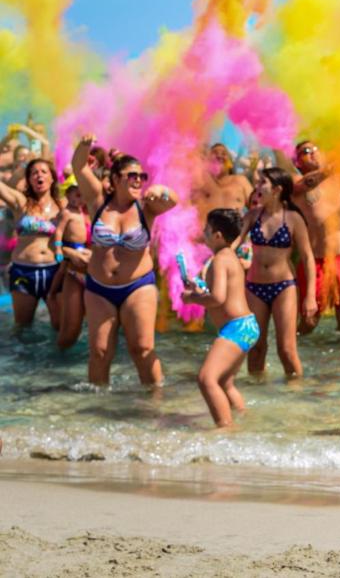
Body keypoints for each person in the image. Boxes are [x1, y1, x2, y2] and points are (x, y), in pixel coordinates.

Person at [71, 137, 177, 386]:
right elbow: (78, 166)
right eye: (132, 176)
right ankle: (97, 405)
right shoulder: (98, 201)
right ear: (116, 179)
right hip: (99, 289)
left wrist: (161, 190)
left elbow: (173, 200)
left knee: (142, 349)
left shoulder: (147, 207)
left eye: (142, 176)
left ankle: (156, 400)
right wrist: (84, 145)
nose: (138, 180)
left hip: (137, 287)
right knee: (99, 353)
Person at [184, 209, 260, 428]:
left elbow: (218, 298)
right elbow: (221, 292)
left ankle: (225, 429)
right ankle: (245, 423)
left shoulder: (219, 260)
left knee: (206, 379)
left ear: (217, 235)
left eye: (206, 229)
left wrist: (192, 298)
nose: (203, 232)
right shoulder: (228, 257)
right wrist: (199, 290)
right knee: (225, 383)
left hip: (236, 328)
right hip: (246, 325)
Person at [241, 167, 317, 379]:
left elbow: (307, 258)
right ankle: (257, 392)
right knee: (255, 348)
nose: (257, 187)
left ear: (277, 189)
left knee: (286, 350)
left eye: (262, 183)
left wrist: (310, 296)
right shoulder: (252, 216)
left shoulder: (293, 219)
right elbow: (232, 244)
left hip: (283, 287)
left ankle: (295, 394)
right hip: (254, 288)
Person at [278, 141, 340, 333]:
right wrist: (328, 170)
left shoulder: (336, 179)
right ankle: (296, 347)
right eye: (307, 151)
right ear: (297, 161)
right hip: (314, 261)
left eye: (316, 149)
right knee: (309, 321)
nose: (313, 153)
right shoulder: (296, 181)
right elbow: (300, 186)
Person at [0, 158, 62, 328]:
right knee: (22, 328)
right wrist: (22, 166)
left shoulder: (62, 205)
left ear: (52, 178)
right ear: (28, 180)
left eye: (43, 172)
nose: (39, 175)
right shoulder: (21, 203)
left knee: (59, 327)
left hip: (54, 272)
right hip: (23, 271)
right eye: (34, 173)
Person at [52, 184, 91, 349]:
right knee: (69, 332)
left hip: (91, 263)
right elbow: (58, 232)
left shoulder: (84, 212)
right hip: (75, 259)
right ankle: (52, 295)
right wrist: (59, 249)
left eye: (82, 195)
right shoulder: (67, 213)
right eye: (77, 195)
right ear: (68, 196)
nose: (80, 199)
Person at [192, 143, 253, 219]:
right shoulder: (200, 182)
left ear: (230, 163)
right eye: (214, 153)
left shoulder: (241, 180)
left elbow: (257, 208)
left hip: (236, 225)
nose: (219, 156)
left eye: (224, 154)